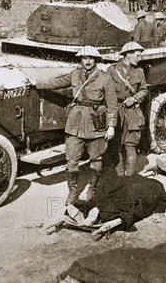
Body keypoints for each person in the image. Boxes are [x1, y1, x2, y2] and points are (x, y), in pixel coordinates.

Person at [39, 46, 118, 205]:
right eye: (84, 58)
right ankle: (73, 192)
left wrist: (111, 126)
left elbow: (112, 104)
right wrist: (36, 83)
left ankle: (92, 188)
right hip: (75, 124)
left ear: (96, 60)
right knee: (72, 161)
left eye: (90, 58)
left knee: (96, 159)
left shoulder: (105, 78)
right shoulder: (75, 74)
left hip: (97, 124)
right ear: (80, 60)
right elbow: (56, 82)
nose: (87, 61)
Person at [107, 42, 148, 177]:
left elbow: (143, 90)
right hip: (116, 111)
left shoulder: (139, 71)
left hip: (132, 112)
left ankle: (129, 178)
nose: (139, 58)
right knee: (115, 146)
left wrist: (134, 98)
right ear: (128, 54)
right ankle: (120, 178)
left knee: (131, 145)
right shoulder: (112, 70)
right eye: (137, 55)